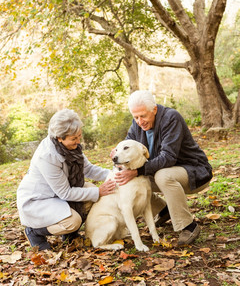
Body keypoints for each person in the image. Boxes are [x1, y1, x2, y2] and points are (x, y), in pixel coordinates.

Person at [114, 90, 212, 246]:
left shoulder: (171, 118)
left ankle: (188, 226)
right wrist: (117, 156)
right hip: (164, 170)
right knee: (136, 178)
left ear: (154, 109)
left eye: (143, 116)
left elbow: (168, 157)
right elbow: (126, 148)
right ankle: (163, 210)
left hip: (194, 171)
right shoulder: (137, 124)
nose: (140, 121)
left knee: (161, 175)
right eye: (136, 117)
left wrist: (138, 171)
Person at [17, 109, 116, 251]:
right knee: (73, 221)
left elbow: (88, 169)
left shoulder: (73, 149)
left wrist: (114, 175)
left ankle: (70, 236)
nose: (78, 141)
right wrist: (99, 191)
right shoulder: (47, 156)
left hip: (56, 195)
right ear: (59, 138)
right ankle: (34, 232)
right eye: (74, 138)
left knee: (89, 191)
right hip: (38, 200)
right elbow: (65, 193)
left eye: (79, 136)